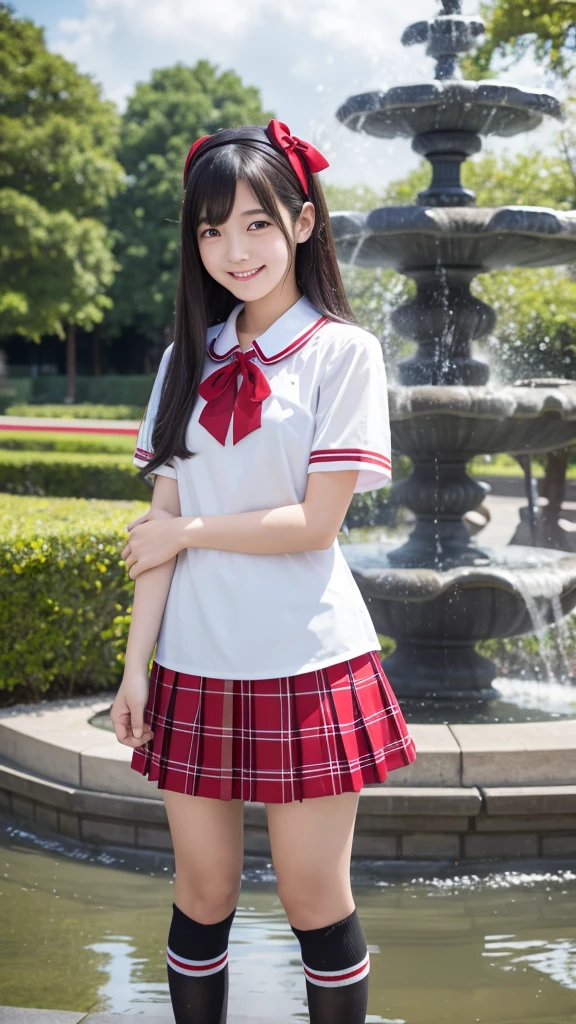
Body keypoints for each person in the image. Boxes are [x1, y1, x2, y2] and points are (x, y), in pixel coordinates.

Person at [110, 118, 417, 1024]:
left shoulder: (341, 353)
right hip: (196, 663)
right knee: (201, 894)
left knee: (312, 900)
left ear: (302, 224)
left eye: (253, 224)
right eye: (210, 230)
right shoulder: (184, 359)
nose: (232, 250)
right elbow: (156, 532)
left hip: (307, 664)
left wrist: (188, 530)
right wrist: (137, 668)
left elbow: (317, 525)